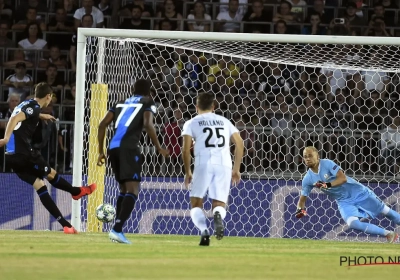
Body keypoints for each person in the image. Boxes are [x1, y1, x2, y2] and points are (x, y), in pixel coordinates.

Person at [0, 83, 96, 234]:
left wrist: (41, 115)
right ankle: (75, 191)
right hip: (23, 153)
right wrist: (5, 138)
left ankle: (66, 226)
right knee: (50, 173)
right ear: (48, 96)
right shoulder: (34, 107)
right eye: (51, 98)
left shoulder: (26, 103)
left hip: (11, 157)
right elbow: (14, 119)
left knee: (40, 185)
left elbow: (21, 114)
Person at [97, 79, 169, 244]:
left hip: (113, 148)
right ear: (149, 92)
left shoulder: (119, 103)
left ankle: (116, 229)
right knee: (133, 189)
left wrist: (100, 151)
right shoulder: (148, 102)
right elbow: (148, 125)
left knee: (123, 189)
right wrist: (158, 147)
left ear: (132, 89)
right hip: (129, 148)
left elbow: (102, 125)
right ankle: (117, 230)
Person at [296, 146, 400, 243]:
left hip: (359, 193)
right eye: (305, 157)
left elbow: (343, 178)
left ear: (318, 156)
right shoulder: (307, 179)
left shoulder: (327, 164)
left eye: (310, 156)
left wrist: (327, 185)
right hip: (343, 201)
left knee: (387, 212)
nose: (307, 159)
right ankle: (388, 234)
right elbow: (302, 200)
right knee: (353, 223)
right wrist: (300, 209)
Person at [181, 92, 244, 246]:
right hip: (224, 164)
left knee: (196, 204)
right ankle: (217, 215)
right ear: (213, 107)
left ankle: (204, 231)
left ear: (196, 107)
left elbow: (185, 150)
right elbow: (240, 143)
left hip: (203, 162)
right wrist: (236, 169)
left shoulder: (191, 123)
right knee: (219, 203)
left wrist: (188, 171)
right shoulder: (224, 121)